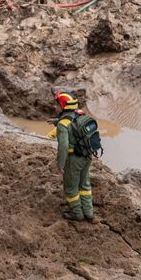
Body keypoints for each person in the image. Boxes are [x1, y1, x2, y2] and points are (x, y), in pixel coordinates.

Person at [52, 92, 94, 222]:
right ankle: (89, 213)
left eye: (57, 104)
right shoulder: (80, 115)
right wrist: (55, 121)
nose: (54, 107)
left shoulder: (62, 125)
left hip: (73, 159)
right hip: (87, 155)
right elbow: (71, 123)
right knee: (84, 184)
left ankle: (77, 214)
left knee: (71, 188)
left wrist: (60, 165)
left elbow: (63, 147)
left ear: (63, 106)